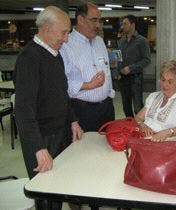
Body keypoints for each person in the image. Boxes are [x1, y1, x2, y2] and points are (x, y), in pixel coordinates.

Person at [14, 6, 83, 210]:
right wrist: (38, 148)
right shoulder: (29, 58)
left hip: (59, 133)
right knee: (45, 197)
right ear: (46, 28)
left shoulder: (55, 54)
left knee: (58, 190)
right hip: (41, 138)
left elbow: (62, 93)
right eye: (63, 33)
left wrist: (72, 120)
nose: (66, 39)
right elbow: (23, 111)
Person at [60, 2, 115, 132]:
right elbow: (61, 83)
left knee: (106, 149)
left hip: (106, 109)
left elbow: (106, 71)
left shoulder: (100, 42)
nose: (98, 25)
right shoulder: (66, 45)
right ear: (80, 19)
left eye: (99, 21)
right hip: (82, 111)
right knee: (85, 150)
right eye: (93, 20)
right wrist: (88, 85)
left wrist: (110, 94)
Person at [135, 60, 176, 142]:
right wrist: (143, 125)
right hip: (144, 139)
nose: (165, 85)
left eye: (170, 82)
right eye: (163, 80)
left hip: (166, 143)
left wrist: (166, 133)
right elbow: (138, 117)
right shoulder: (153, 96)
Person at [117, 15, 151, 117]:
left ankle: (140, 130)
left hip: (136, 79)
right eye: (122, 24)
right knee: (126, 107)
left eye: (125, 24)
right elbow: (119, 59)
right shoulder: (121, 41)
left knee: (138, 108)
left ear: (132, 25)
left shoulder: (142, 41)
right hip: (123, 79)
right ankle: (130, 129)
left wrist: (130, 68)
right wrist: (117, 71)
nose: (123, 26)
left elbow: (146, 60)